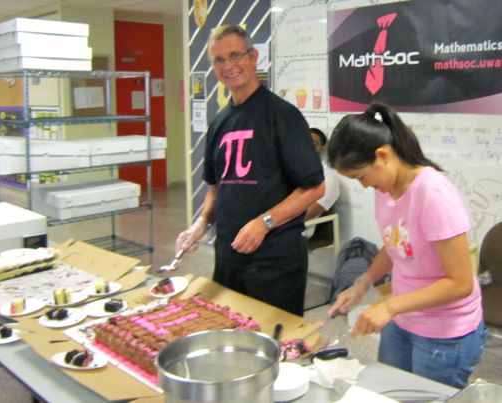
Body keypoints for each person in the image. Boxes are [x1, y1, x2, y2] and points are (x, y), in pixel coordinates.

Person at [327, 102, 486, 388]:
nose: (364, 186)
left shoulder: (434, 194)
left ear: (383, 155)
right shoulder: (385, 187)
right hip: (403, 320)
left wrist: (389, 307)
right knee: (391, 391)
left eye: (361, 177)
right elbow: (395, 245)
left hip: (444, 333)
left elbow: (461, 282)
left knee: (424, 396)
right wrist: (362, 285)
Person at [176, 24, 325, 316]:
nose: (228, 66)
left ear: (254, 56)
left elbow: (315, 187)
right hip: (229, 257)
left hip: (275, 262)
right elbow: (216, 187)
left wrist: (264, 222)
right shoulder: (219, 122)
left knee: (274, 344)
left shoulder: (282, 115)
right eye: (219, 60)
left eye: (235, 55)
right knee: (231, 338)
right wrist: (200, 223)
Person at [304, 127, 340, 239]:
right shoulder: (290, 170)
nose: (308, 146)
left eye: (314, 143)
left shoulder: (329, 178)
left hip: (296, 231)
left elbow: (307, 214)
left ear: (323, 148)